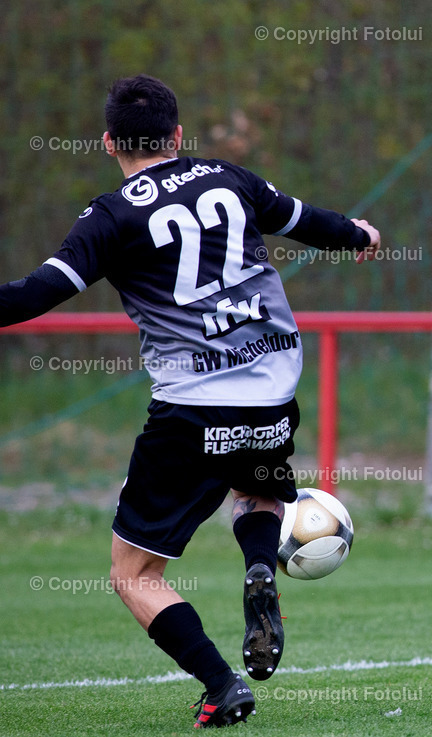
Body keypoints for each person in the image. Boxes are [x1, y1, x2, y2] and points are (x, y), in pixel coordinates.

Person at [0, 74, 380, 728]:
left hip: (193, 409)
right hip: (271, 393)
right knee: (259, 493)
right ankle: (261, 570)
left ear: (108, 141)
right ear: (178, 136)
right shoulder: (228, 177)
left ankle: (220, 683)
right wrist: (359, 235)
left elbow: (35, 295)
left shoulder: (110, 216)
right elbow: (307, 221)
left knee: (133, 573)